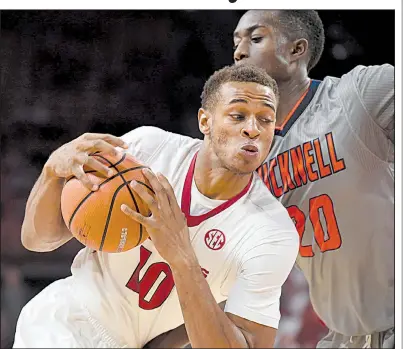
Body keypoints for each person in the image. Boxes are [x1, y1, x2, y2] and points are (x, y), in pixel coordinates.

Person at [147, 10, 395, 349]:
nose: (238, 51)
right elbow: (237, 283)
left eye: (255, 37)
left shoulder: (361, 95)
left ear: (296, 50)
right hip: (344, 337)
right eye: (236, 43)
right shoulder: (248, 161)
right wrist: (157, 342)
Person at [13, 64, 300, 348]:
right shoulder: (147, 149)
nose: (252, 129)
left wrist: (183, 259)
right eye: (238, 116)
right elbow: (38, 240)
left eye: (265, 120)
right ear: (205, 121)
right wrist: (52, 172)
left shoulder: (272, 233)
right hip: (63, 322)